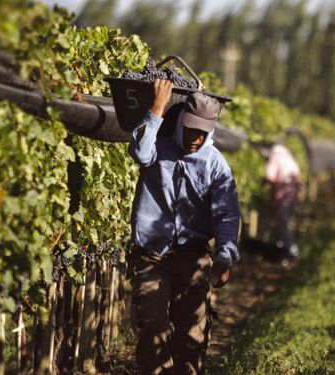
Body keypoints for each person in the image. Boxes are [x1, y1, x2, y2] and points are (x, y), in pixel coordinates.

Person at [127, 79, 241, 374]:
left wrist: (226, 255)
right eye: (190, 129)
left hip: (194, 256)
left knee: (191, 337)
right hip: (153, 255)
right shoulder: (158, 147)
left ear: (211, 131)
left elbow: (227, 214)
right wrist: (156, 109)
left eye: (202, 133)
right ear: (180, 123)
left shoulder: (216, 165)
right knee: (154, 326)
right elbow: (139, 153)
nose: (195, 138)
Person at [263, 142, 302, 260]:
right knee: (283, 224)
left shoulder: (275, 157)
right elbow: (299, 179)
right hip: (293, 197)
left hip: (283, 198)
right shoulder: (289, 158)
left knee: (283, 225)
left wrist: (263, 182)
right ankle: (281, 252)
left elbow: (270, 176)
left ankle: (292, 252)